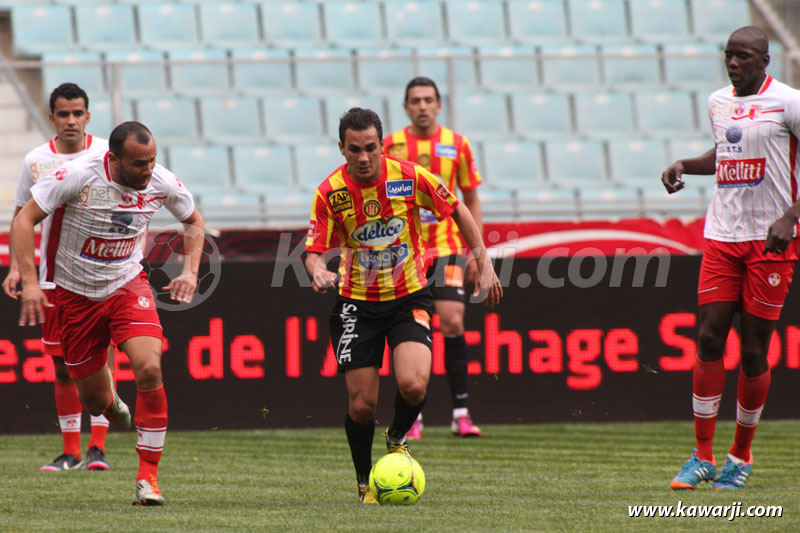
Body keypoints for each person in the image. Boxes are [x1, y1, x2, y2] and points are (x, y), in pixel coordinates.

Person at [304, 108, 502, 503]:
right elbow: (313, 251)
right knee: (362, 406)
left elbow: (457, 208)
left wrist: (484, 258)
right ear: (342, 148)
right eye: (355, 149)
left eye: (371, 148)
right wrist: (317, 271)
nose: (364, 157)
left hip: (408, 296)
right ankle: (364, 483)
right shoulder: (329, 193)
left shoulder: (409, 176)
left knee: (413, 385)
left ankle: (397, 438)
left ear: (381, 145)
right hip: (355, 306)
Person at [11, 121, 205, 505]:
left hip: (127, 287)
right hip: (75, 298)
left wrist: (191, 272)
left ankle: (147, 479)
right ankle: (111, 399)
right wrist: (31, 283)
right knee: (95, 404)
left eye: (151, 161)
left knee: (150, 368)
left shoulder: (161, 181)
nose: (147, 170)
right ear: (114, 159)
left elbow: (194, 221)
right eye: (138, 163)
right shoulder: (76, 176)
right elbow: (23, 220)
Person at [662, 26, 800, 491]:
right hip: (722, 234)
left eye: (742, 57)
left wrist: (791, 217)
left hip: (771, 241)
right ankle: (701, 456)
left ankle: (739, 455)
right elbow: (727, 153)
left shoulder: (789, 101)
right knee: (707, 337)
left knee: (754, 349)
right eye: (728, 56)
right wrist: (686, 164)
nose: (733, 63)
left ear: (764, 61)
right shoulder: (719, 101)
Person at [2, 82, 115, 472]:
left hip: (103, 276)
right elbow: (22, 219)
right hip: (54, 279)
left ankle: (97, 449)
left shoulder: (107, 154)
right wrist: (18, 268)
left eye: (77, 113)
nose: (71, 120)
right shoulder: (35, 161)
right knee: (64, 364)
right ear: (51, 118)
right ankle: (70, 451)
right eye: (63, 114)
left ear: (88, 115)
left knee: (100, 358)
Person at [383, 77, 485, 439]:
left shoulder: (457, 145)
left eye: (428, 99)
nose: (422, 106)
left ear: (439, 105)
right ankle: (415, 415)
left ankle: (460, 412)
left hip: (446, 248)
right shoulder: (389, 145)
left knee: (453, 321)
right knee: (413, 326)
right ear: (406, 107)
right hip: (402, 253)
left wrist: (478, 252)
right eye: (415, 100)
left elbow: (470, 199)